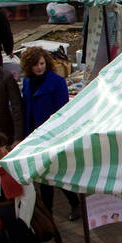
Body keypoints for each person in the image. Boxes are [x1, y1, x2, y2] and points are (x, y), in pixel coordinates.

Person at [20, 46, 80, 220]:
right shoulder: (27, 82)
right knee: (44, 176)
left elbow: (62, 112)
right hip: (36, 136)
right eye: (35, 65)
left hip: (53, 137)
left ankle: (61, 208)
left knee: (54, 174)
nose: (39, 67)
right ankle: (51, 212)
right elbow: (27, 110)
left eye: (41, 63)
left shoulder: (57, 81)